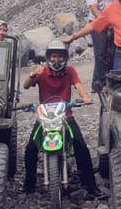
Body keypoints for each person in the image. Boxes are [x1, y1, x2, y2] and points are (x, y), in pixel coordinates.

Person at [22, 40, 106, 199]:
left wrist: (85, 97)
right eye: (53, 56)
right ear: (48, 57)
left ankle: (90, 185)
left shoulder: (71, 71)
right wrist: (33, 75)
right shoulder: (42, 71)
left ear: (65, 58)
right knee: (31, 149)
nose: (57, 60)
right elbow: (26, 86)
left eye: (60, 57)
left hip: (65, 115)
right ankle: (29, 183)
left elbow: (79, 86)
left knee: (81, 147)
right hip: (44, 116)